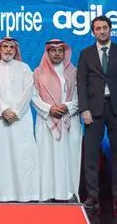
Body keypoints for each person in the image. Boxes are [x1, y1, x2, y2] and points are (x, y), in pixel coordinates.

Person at [75, 15, 117, 208]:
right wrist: (84, 109)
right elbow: (81, 83)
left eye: (105, 28)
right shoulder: (86, 54)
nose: (102, 31)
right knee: (91, 156)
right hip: (93, 110)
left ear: (110, 29)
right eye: (98, 28)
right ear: (93, 32)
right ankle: (92, 196)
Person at [0, 37, 39, 202]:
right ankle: (3, 194)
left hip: (21, 119)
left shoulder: (24, 68)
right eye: (5, 47)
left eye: (11, 47)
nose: (8, 50)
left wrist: (16, 112)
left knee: (23, 156)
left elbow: (29, 92)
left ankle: (26, 194)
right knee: (2, 156)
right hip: (0, 119)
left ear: (16, 51)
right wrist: (4, 110)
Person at [32, 39, 83, 202]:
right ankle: (46, 193)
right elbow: (33, 97)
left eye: (60, 50)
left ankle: (68, 192)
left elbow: (80, 95)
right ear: (47, 52)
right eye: (53, 50)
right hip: (46, 121)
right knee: (46, 157)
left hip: (69, 120)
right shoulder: (38, 73)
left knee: (69, 157)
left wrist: (67, 107)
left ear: (64, 52)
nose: (56, 54)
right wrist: (49, 109)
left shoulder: (73, 72)